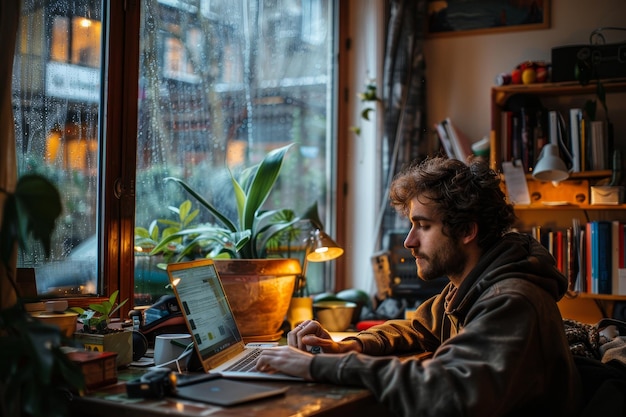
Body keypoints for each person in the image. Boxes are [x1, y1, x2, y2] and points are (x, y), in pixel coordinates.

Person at [255, 156, 583, 416]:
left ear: (467, 230)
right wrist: (351, 345)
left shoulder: (510, 300)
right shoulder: (471, 285)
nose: (410, 241)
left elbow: (446, 393)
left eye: (423, 226)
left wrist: (318, 365)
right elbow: (417, 328)